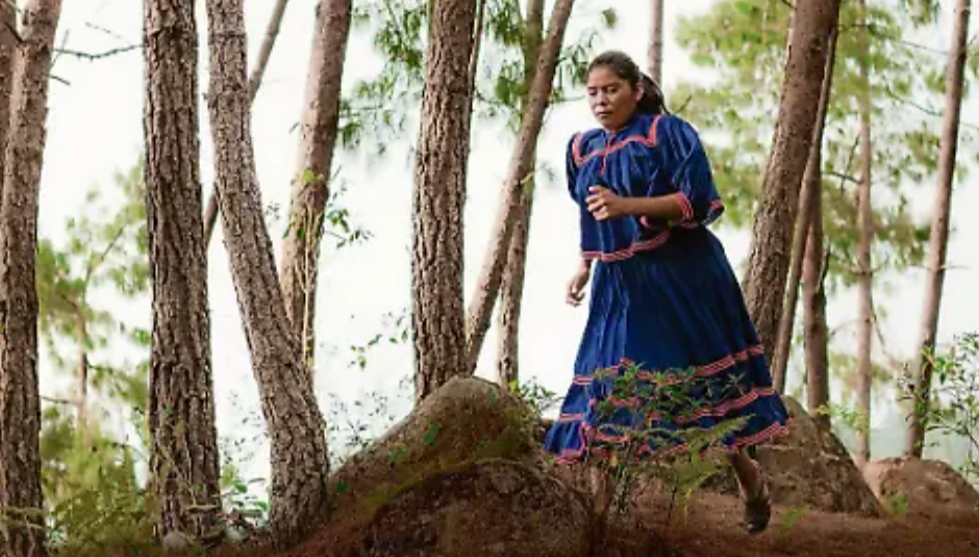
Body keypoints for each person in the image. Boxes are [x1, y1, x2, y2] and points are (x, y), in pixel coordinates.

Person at [541, 50, 790, 534]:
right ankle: (602, 517)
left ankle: (749, 479)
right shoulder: (582, 149)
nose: (600, 100)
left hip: (681, 276)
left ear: (635, 90)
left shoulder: (666, 133)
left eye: (610, 89)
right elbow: (592, 213)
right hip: (620, 285)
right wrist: (584, 266)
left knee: (706, 384)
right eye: (592, 92)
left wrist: (626, 204)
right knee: (609, 385)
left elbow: (692, 201)